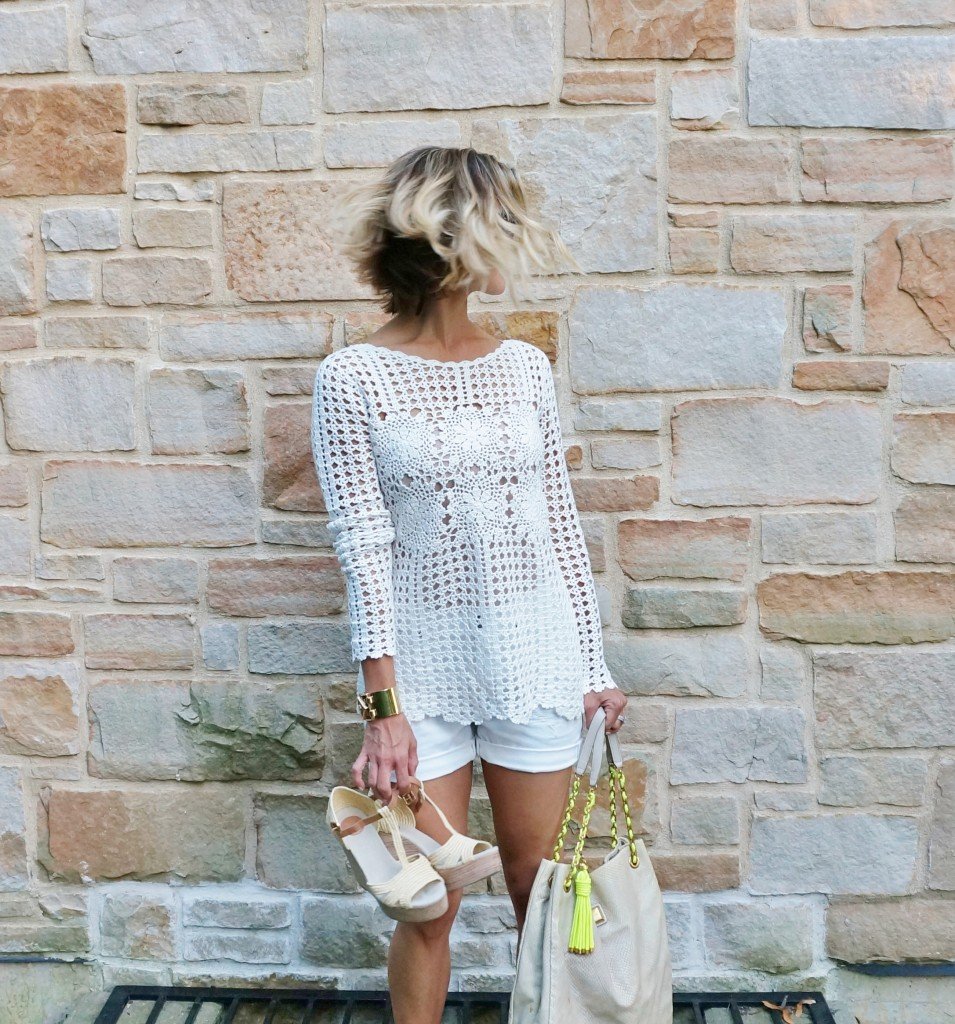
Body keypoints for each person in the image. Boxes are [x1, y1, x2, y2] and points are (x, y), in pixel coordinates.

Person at [310, 146, 628, 1024]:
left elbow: (557, 523)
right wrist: (384, 714)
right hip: (423, 681)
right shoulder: (353, 379)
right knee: (428, 901)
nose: (516, 247)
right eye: (507, 227)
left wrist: (592, 665)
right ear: (455, 241)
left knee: (538, 885)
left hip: (537, 659)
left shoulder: (523, 366)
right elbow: (363, 549)